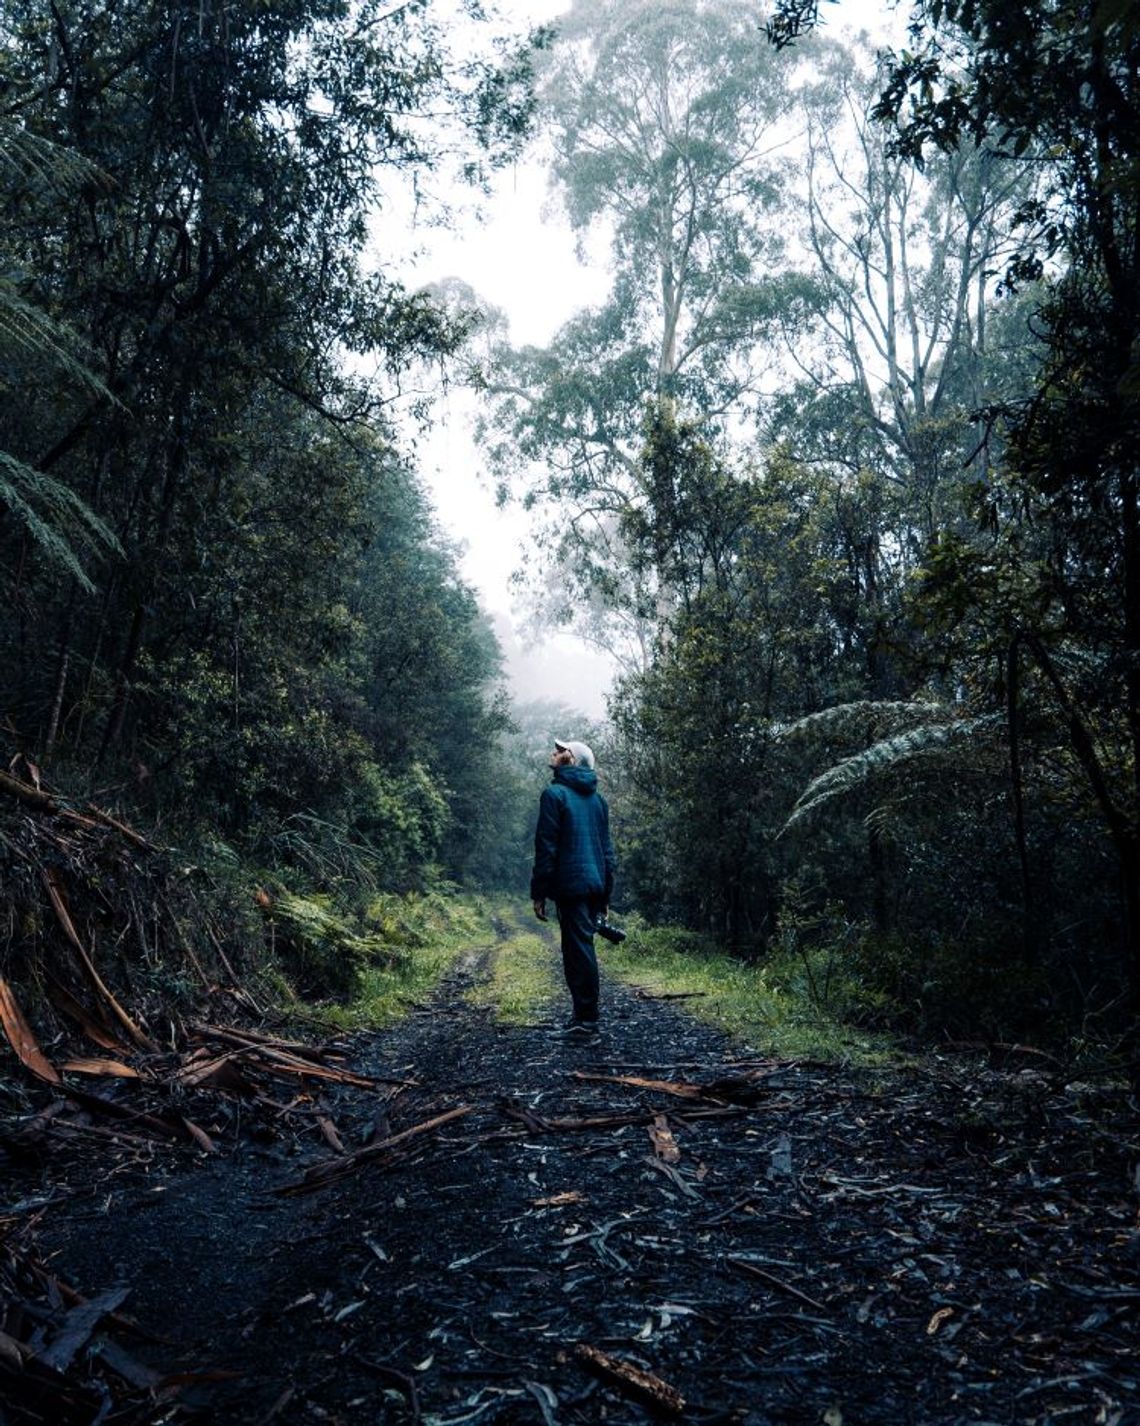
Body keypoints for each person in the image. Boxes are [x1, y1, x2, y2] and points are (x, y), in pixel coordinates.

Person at [530, 738, 617, 1038]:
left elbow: (546, 848)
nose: (554, 753)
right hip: (593, 885)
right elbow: (607, 853)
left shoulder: (554, 795)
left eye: (560, 750)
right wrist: (606, 894)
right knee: (579, 947)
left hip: (571, 885)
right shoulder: (599, 801)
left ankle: (587, 1020)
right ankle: (582, 1016)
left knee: (577, 950)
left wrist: (538, 892)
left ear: (572, 760)